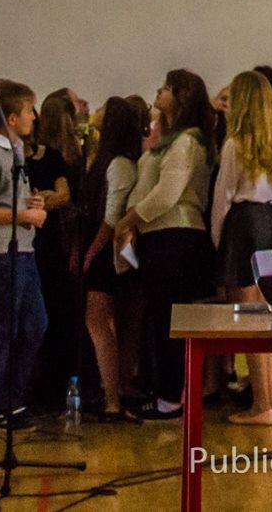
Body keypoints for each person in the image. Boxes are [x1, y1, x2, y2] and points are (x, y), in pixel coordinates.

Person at [115, 70, 217, 422]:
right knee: (159, 319)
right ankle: (165, 392)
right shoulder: (168, 139)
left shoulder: (187, 141)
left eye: (168, 88)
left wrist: (128, 220)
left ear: (182, 96)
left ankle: (171, 398)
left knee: (169, 321)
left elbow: (167, 194)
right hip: (159, 234)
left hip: (176, 235)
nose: (159, 91)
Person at [211, 71, 272, 426]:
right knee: (265, 319)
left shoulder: (235, 145)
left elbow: (223, 197)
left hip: (242, 225)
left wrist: (219, 242)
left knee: (250, 320)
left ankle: (262, 405)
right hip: (267, 221)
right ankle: (268, 400)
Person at [0, 81, 50, 432]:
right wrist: (25, 215)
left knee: (35, 324)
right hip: (0, 251)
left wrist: (33, 203)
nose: (34, 117)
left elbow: (10, 198)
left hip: (23, 248)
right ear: (12, 118)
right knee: (3, 327)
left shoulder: (17, 152)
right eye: (29, 110)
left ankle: (14, 397)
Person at [81, 97, 146, 421]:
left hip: (108, 250)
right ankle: (116, 389)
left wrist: (90, 252)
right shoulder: (109, 158)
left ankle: (111, 398)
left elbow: (111, 217)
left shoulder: (119, 163)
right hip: (105, 246)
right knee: (110, 323)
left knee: (99, 321)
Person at [28, 88, 85, 406]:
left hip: (45, 238)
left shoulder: (47, 156)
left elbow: (61, 196)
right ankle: (61, 381)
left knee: (46, 310)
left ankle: (43, 382)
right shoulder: (71, 155)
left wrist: (44, 198)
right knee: (61, 312)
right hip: (61, 239)